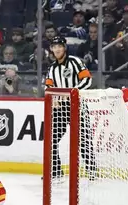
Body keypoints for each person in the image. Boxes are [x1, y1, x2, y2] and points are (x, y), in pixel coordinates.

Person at [44, 36, 95, 180]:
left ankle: (92, 171)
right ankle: (55, 171)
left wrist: (72, 93)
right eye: (54, 46)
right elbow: (48, 86)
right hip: (60, 108)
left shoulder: (75, 61)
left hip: (77, 105)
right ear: (51, 49)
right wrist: (53, 98)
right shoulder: (52, 68)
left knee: (83, 139)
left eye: (59, 46)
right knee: (52, 139)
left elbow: (87, 79)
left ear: (64, 47)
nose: (57, 49)